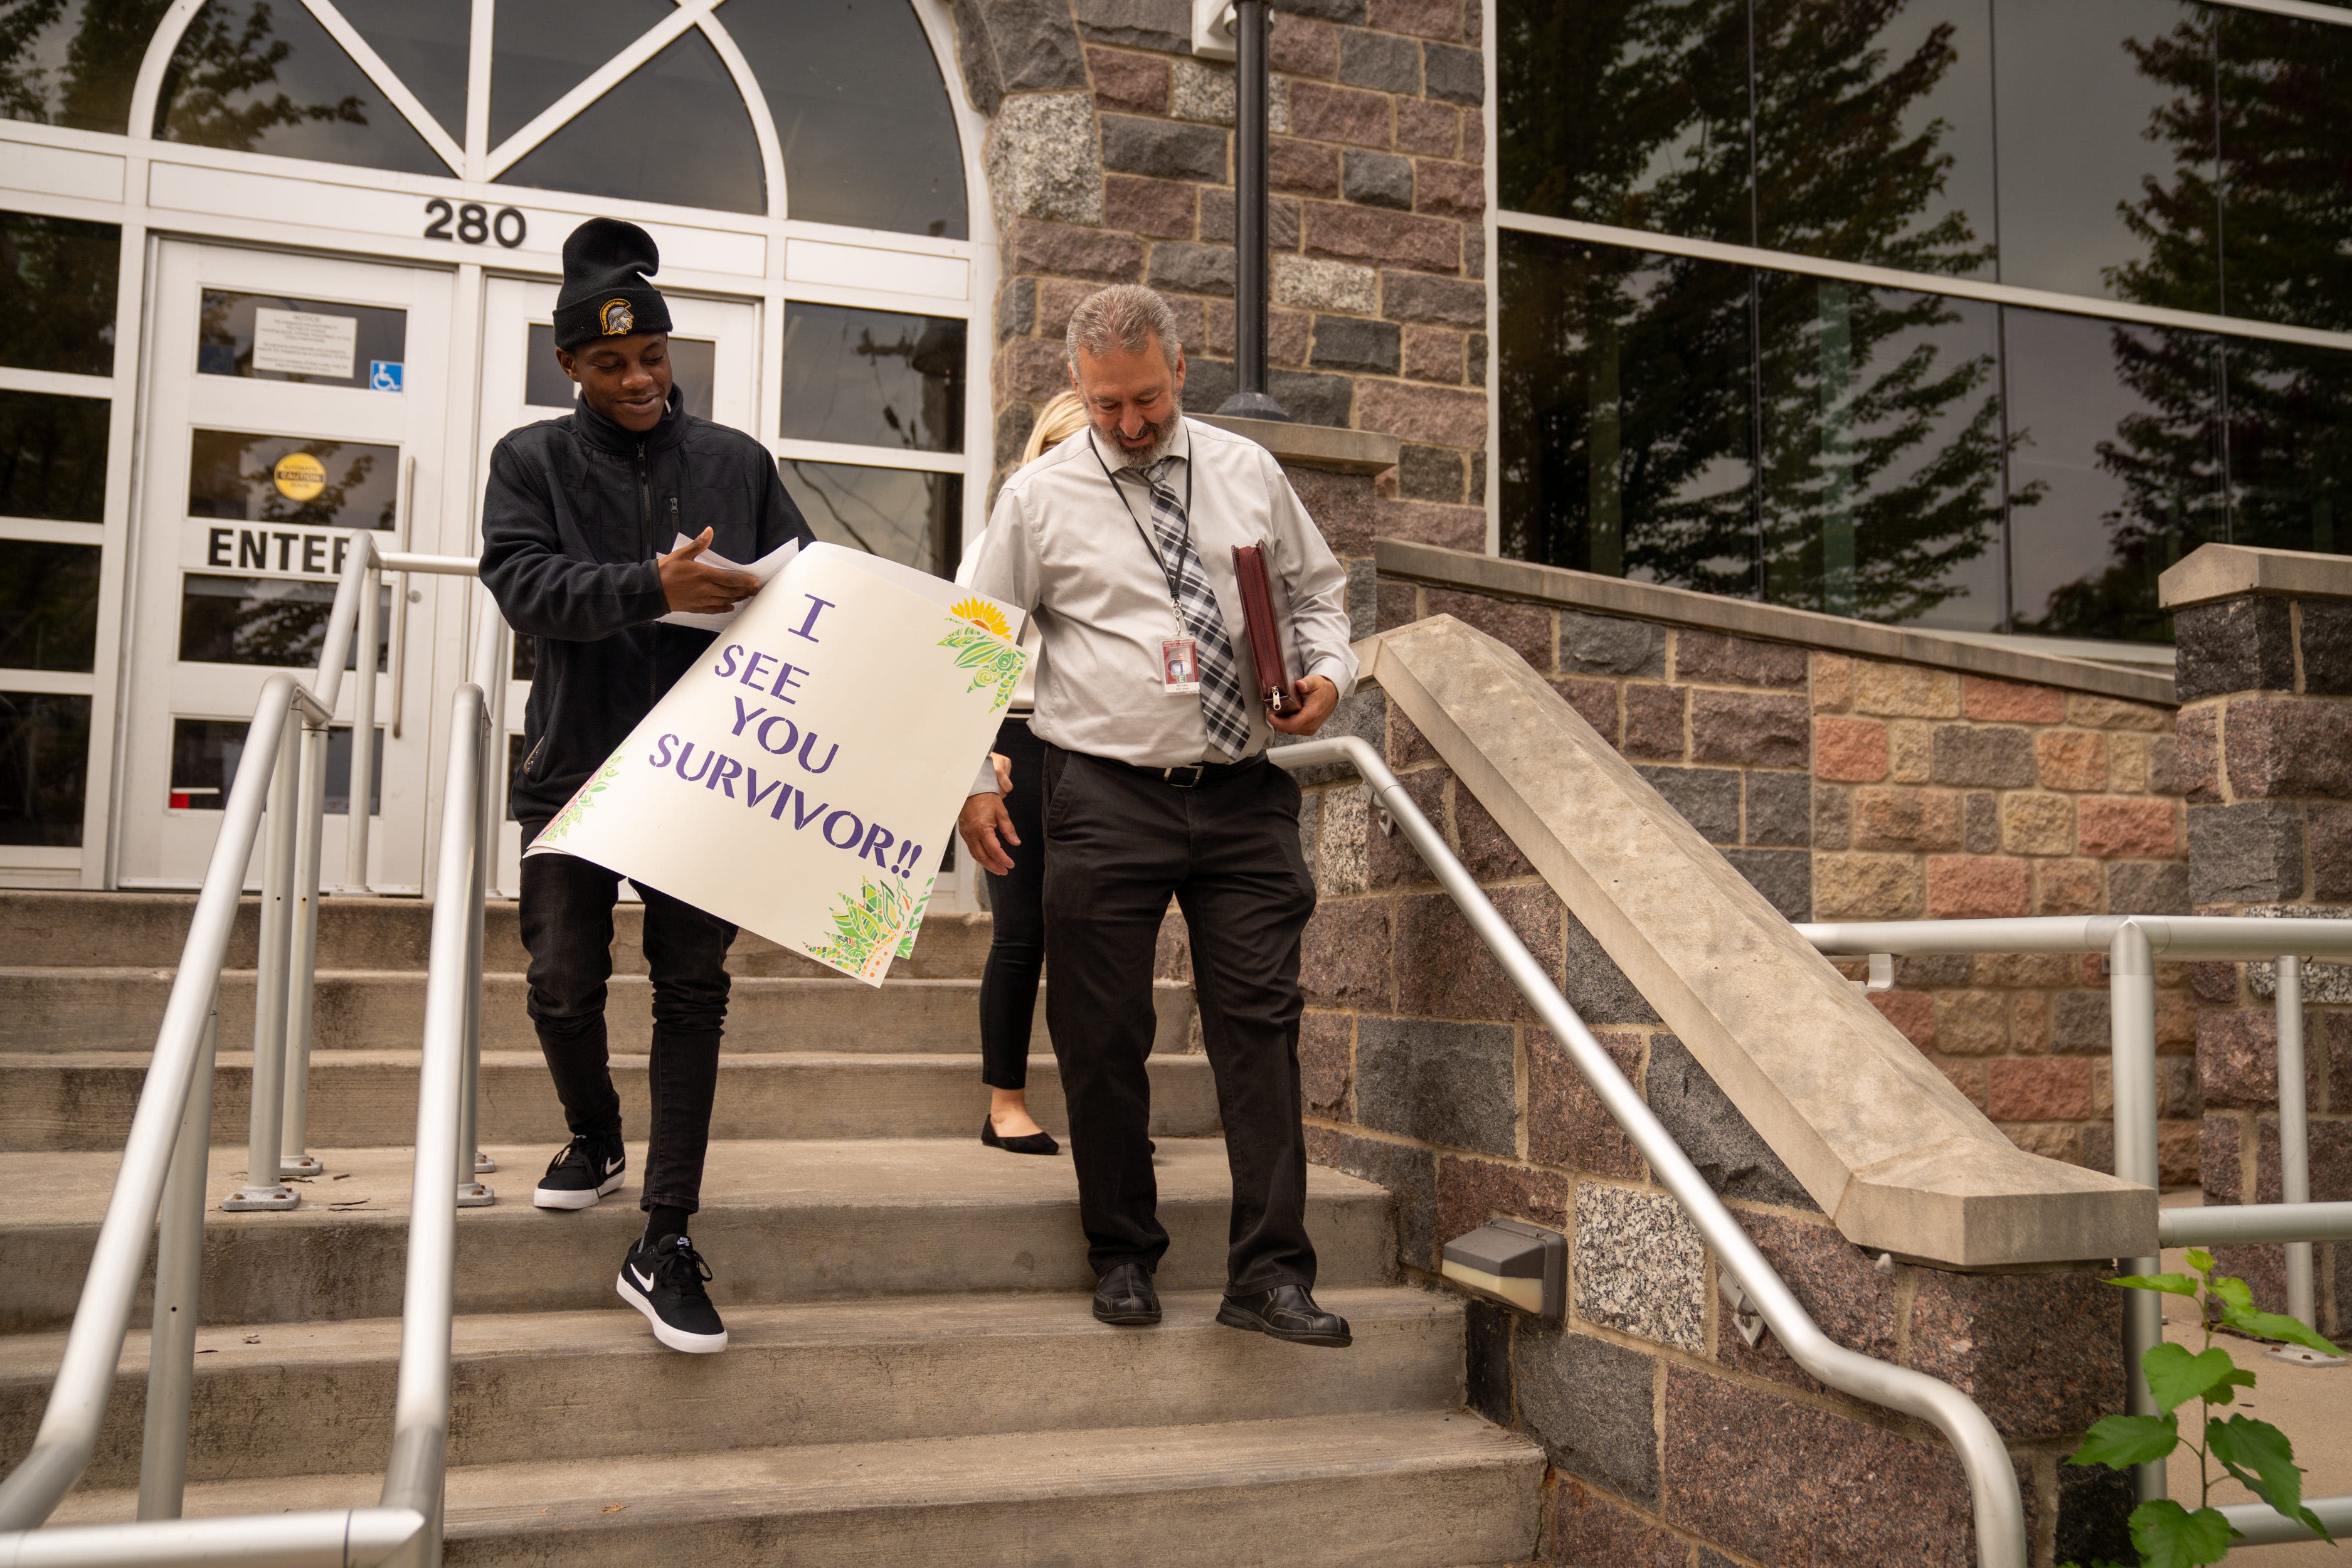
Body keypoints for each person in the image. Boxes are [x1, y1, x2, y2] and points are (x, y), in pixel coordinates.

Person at [956, 285, 1357, 1348]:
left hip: (1241, 800)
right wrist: (969, 776)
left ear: (1181, 371)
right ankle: (1123, 1250)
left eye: (1143, 400)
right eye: (1104, 407)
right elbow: (974, 640)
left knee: (1260, 1031)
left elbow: (1318, 596)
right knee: (1102, 1033)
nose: (1128, 426)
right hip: (1103, 796)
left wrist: (1329, 677)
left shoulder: (1247, 473)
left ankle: (1270, 1274)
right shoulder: (1040, 499)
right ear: (1078, 394)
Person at [480, 217, 814, 1355]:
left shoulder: (735, 464)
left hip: (707, 773)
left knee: (693, 991)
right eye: (612, 364)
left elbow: (806, 599)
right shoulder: (528, 461)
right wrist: (648, 584)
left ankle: (665, 1233)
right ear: (568, 366)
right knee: (563, 979)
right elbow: (524, 588)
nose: (637, 381)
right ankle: (595, 1132)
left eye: (655, 358)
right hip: (575, 765)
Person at [956, 390, 1088, 1156]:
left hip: (1100, 748)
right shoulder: (1000, 538)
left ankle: (1103, 1108)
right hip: (1017, 743)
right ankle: (1005, 1103)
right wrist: (975, 761)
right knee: (1022, 933)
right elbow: (960, 662)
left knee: (1102, 937)